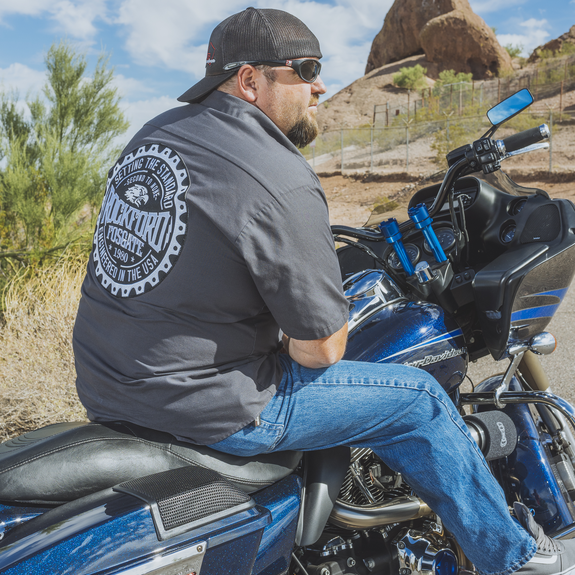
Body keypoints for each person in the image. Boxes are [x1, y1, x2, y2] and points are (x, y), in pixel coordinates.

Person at [72, 7, 575, 575]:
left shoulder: (155, 135)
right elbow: (321, 350)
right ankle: (515, 557)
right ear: (249, 80)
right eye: (305, 69)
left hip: (108, 383)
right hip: (207, 404)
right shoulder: (276, 173)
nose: (320, 85)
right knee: (421, 400)